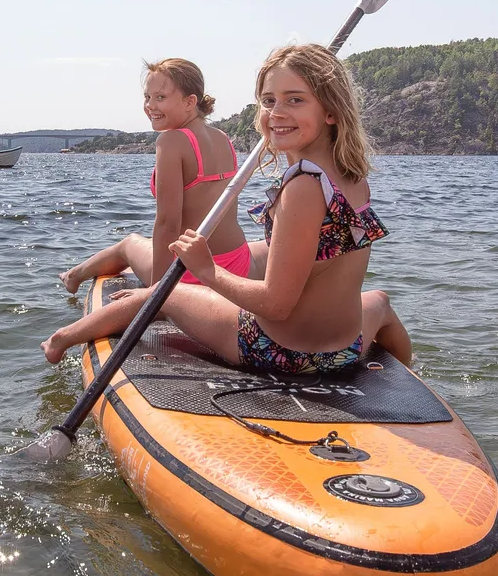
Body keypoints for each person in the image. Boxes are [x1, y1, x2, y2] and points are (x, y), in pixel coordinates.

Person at [43, 43, 411, 374]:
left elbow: (275, 306)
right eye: (269, 101)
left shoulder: (302, 187)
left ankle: (59, 340)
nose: (277, 112)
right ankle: (406, 379)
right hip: (345, 349)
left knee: (167, 294)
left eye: (295, 100)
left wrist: (206, 270)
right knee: (378, 300)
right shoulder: (351, 176)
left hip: (281, 351)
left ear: (331, 111)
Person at [57, 59, 253, 295]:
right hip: (238, 264)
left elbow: (167, 224)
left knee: (129, 244)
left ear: (190, 101)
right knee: (141, 245)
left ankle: (72, 276)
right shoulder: (222, 137)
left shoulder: (171, 141)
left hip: (192, 272)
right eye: (147, 97)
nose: (150, 105)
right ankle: (73, 275)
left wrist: (158, 292)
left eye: (160, 97)